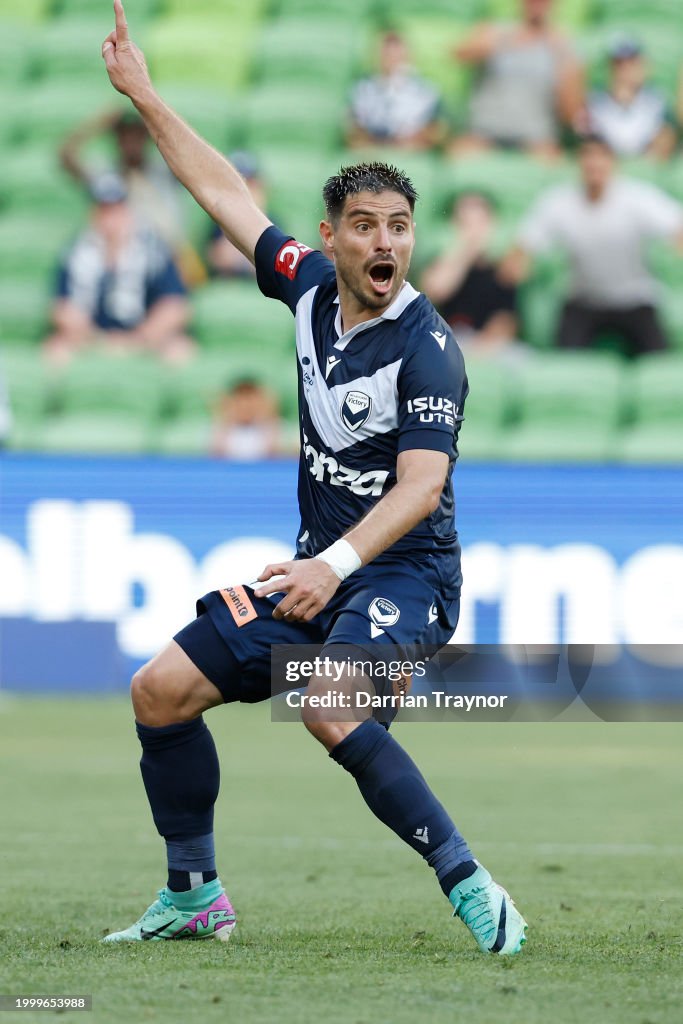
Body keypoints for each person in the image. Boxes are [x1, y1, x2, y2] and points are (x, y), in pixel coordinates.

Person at [99, 0, 527, 956]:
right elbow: (222, 192)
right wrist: (145, 96)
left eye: (400, 228)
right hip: (318, 572)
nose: (386, 245)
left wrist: (330, 566)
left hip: (406, 574)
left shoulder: (428, 349)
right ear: (329, 238)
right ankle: (194, 895)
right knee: (159, 690)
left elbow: (419, 488)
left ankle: (471, 885)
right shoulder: (302, 286)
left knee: (326, 702)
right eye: (365, 227)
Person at [503, 135, 683, 355]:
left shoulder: (637, 198)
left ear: (613, 162)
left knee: (658, 361)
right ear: (578, 162)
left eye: (602, 155)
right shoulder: (558, 202)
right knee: (564, 362)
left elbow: (676, 226)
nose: (594, 163)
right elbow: (523, 247)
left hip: (635, 299)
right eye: (588, 155)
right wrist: (519, 263)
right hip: (584, 299)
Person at [45, 172, 194, 364]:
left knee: (180, 351)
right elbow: (62, 308)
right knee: (55, 352)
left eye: (116, 208)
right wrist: (96, 339)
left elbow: (175, 306)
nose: (110, 218)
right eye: (104, 209)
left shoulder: (154, 249)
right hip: (91, 339)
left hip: (145, 338)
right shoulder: (76, 251)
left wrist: (138, 339)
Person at [451, 0, 583, 160]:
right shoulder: (495, 32)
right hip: (484, 131)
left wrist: (564, 64)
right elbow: (459, 55)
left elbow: (571, 114)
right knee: (457, 158)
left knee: (552, 163)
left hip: (536, 136)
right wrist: (492, 45)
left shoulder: (563, 46)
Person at [420, 191, 520, 357]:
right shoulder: (441, 259)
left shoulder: (502, 266)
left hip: (493, 346)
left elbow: (506, 320)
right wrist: (466, 250)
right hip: (448, 340)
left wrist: (483, 346)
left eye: (480, 222)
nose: (474, 231)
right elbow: (435, 291)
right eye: (465, 223)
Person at [347, 30, 446, 152]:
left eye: (397, 53)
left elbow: (436, 131)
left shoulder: (427, 92)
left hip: (410, 152)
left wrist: (414, 141)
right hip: (373, 153)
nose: (392, 59)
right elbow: (354, 132)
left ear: (408, 56)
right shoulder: (362, 90)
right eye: (387, 53)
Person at [583, 36, 676, 160]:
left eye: (631, 63)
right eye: (619, 64)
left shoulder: (657, 101)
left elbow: (665, 143)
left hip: (645, 166)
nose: (625, 70)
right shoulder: (594, 102)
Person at [205, 152, 266, 280]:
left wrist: (257, 212)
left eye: (249, 183)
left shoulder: (273, 220)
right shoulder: (219, 220)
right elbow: (220, 260)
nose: (244, 190)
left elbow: (274, 268)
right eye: (238, 183)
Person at [211, 377, 287, 459]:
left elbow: (275, 454)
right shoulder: (222, 429)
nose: (245, 408)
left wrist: (271, 417)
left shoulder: (273, 428)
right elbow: (217, 455)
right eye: (240, 404)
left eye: (250, 405)